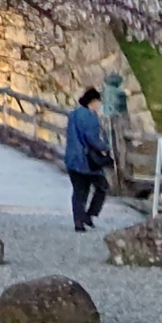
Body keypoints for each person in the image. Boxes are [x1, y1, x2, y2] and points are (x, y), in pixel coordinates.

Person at [65, 87, 112, 232]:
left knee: (79, 191)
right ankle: (90, 214)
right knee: (102, 186)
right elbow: (92, 139)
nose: (99, 105)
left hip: (71, 159)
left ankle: (78, 221)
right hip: (86, 161)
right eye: (98, 101)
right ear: (93, 101)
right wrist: (105, 147)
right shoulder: (91, 117)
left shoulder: (73, 114)